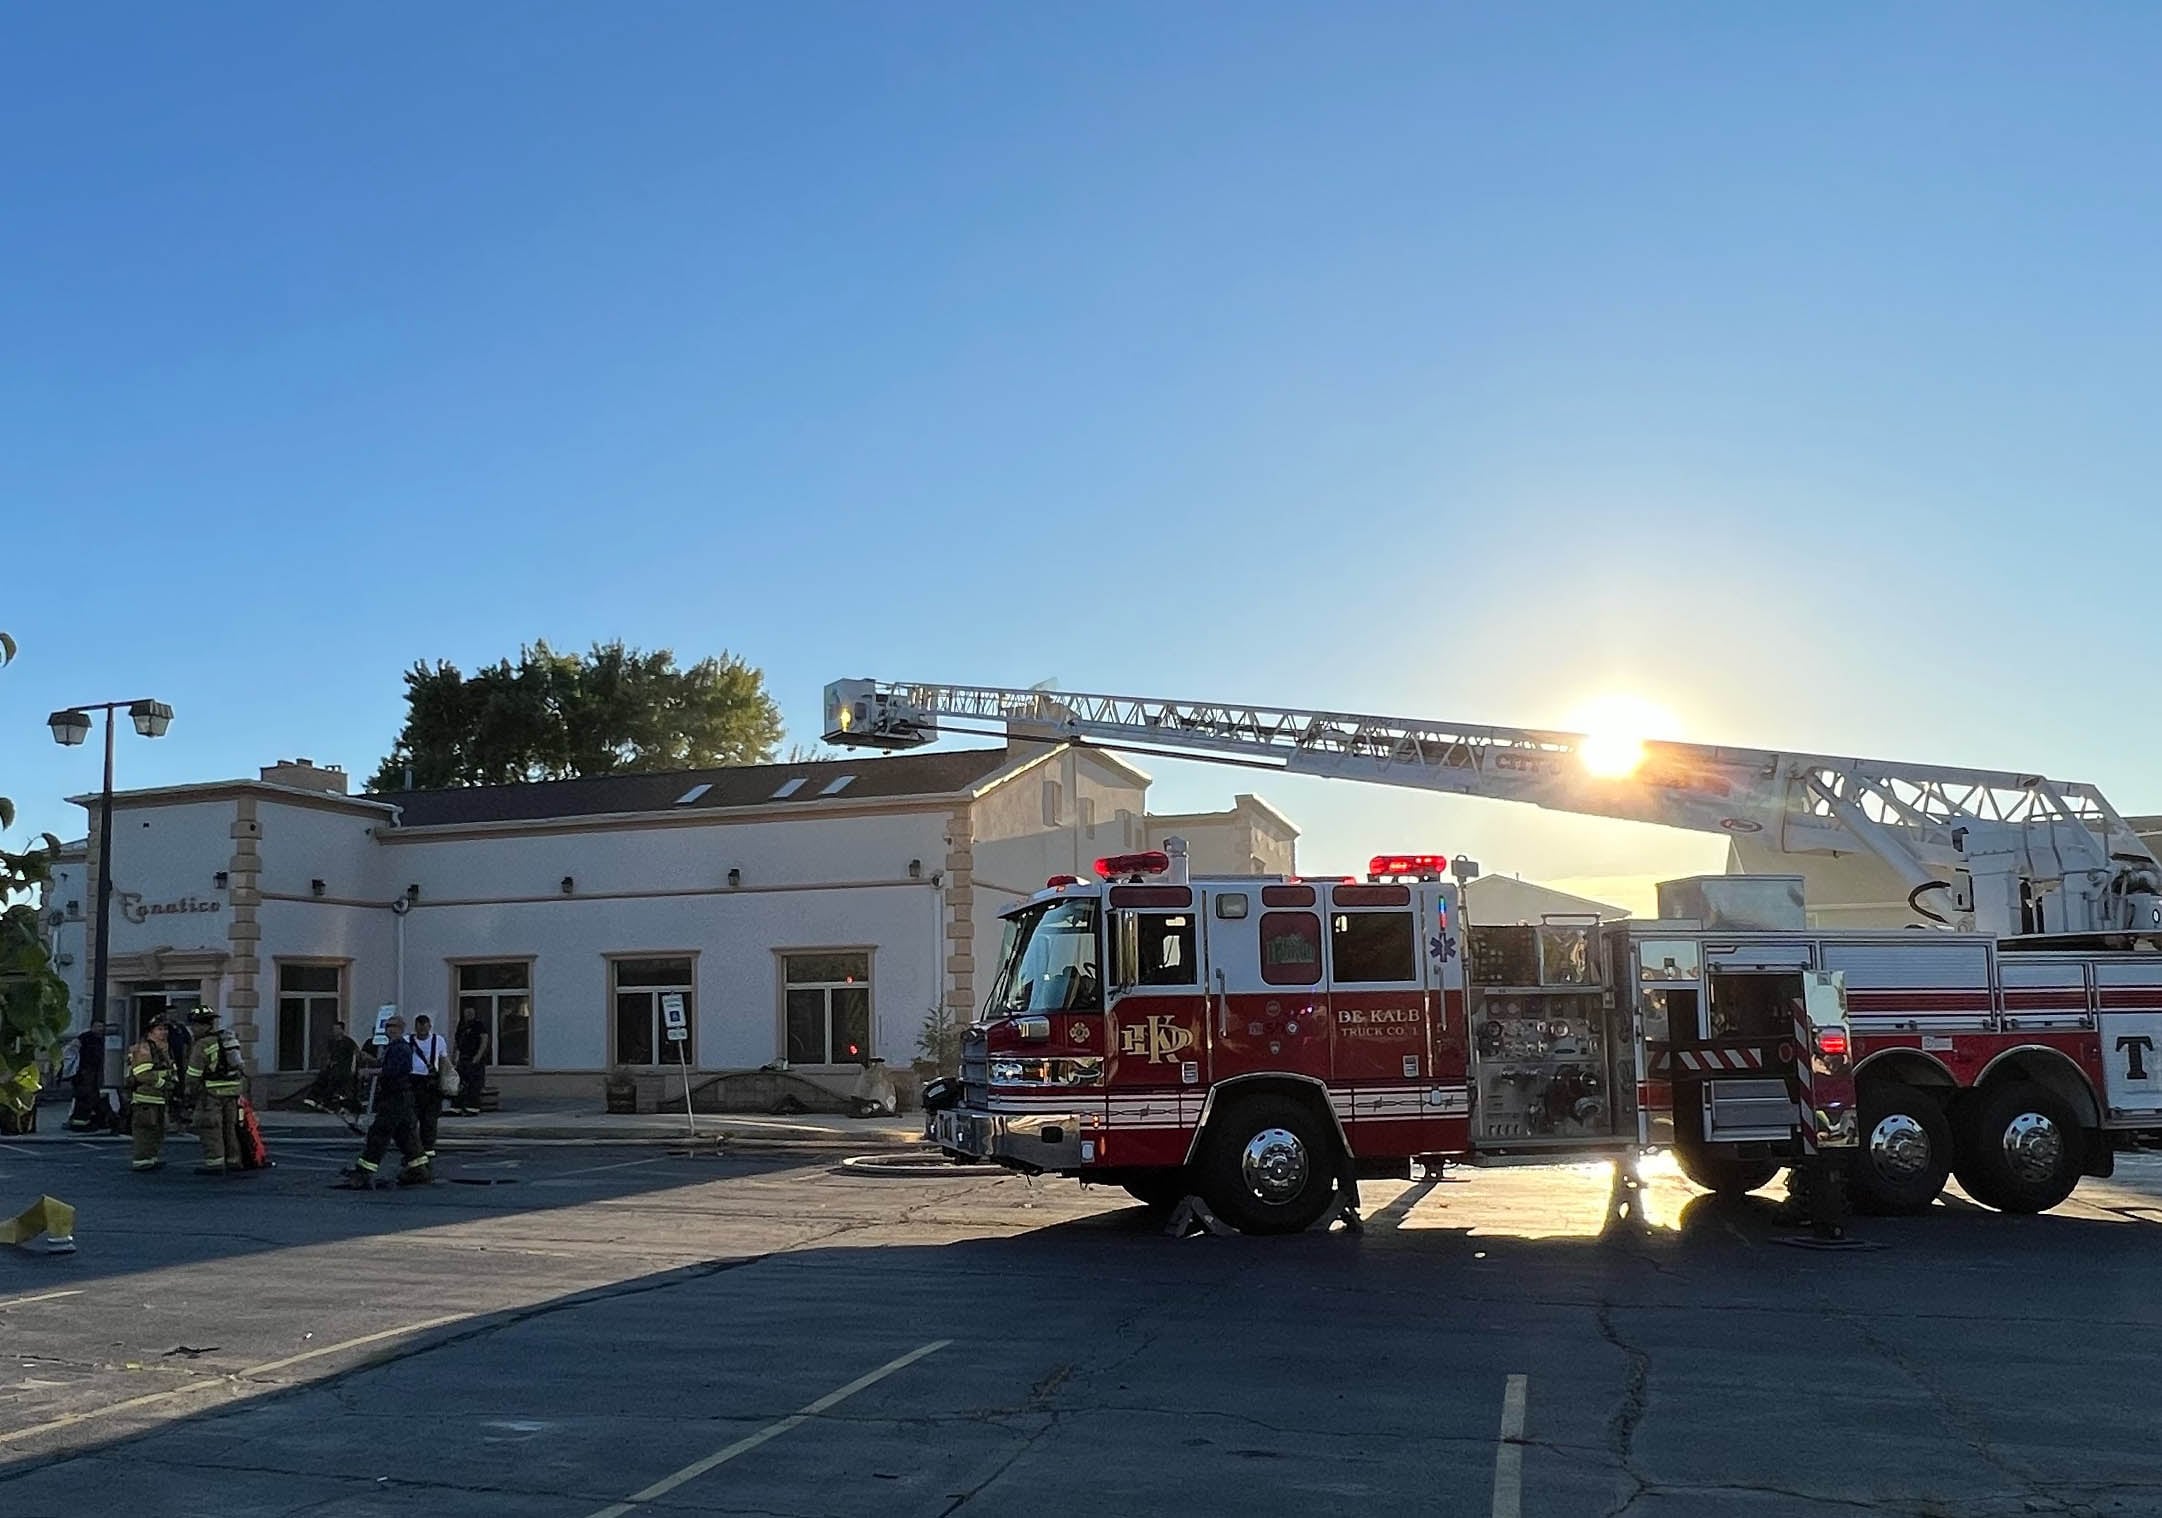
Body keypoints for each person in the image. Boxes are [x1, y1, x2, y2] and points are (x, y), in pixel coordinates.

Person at [340, 1015, 429, 1188]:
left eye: (394, 1026)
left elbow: (394, 1070)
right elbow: (385, 1064)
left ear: (401, 1028)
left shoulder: (401, 1048)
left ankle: (364, 1172)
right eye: (388, 1026)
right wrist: (369, 1060)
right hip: (398, 1097)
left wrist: (371, 1072)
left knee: (378, 1134)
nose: (391, 1029)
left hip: (396, 1097)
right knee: (405, 1135)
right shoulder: (393, 1047)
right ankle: (418, 1169)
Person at [185, 1007, 246, 1175]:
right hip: (232, 1092)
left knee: (210, 1128)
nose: (192, 1029)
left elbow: (193, 1074)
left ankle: (215, 1162)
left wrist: (188, 1092)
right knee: (229, 1127)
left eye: (193, 1026)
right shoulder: (225, 1039)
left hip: (211, 1094)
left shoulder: (202, 1044)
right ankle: (233, 1160)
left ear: (198, 1026)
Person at [124, 1022, 176, 1172]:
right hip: (145, 1098)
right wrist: (163, 1084)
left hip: (159, 1098)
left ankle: (151, 1158)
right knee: (145, 1131)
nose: (164, 1032)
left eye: (165, 1029)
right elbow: (142, 1074)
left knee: (157, 1131)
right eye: (159, 1029)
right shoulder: (144, 1049)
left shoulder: (162, 1049)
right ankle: (141, 1160)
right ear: (150, 1032)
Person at [409, 1013, 450, 1163]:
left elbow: (444, 1060)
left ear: (429, 1027)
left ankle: (428, 1147)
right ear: (415, 1027)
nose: (422, 1032)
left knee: (430, 1117)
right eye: (419, 1028)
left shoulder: (438, 1040)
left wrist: (446, 1080)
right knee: (413, 1116)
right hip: (413, 1081)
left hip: (431, 1082)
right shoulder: (408, 1041)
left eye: (424, 1028)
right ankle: (415, 1147)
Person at [301, 1021, 362, 1114]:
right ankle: (312, 1099)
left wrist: (355, 1067)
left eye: (337, 1029)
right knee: (322, 1077)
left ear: (342, 1030)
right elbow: (329, 1055)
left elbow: (357, 1054)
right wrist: (327, 1063)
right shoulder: (332, 1042)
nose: (335, 1031)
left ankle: (328, 1101)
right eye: (334, 1029)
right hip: (332, 1067)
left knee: (334, 1081)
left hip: (343, 1069)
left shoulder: (348, 1042)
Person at [65, 1021, 108, 1132]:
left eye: (102, 1027)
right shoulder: (85, 1037)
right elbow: (71, 1048)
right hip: (84, 1072)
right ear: (92, 1027)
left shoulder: (101, 1039)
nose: (100, 1029)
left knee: (92, 1097)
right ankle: (81, 1123)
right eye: (98, 1026)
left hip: (93, 1072)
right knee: (85, 1098)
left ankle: (91, 1121)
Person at [453, 1009, 489, 1117]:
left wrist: (478, 1056)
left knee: (474, 1084)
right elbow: (457, 1041)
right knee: (460, 1083)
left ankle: (473, 1108)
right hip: (463, 1058)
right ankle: (457, 1108)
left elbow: (484, 1039)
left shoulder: (478, 1025)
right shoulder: (461, 1025)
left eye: (471, 1013)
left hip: (474, 1059)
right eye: (467, 1013)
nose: (469, 1015)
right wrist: (454, 1056)